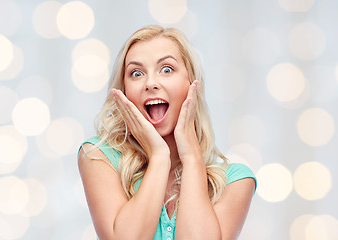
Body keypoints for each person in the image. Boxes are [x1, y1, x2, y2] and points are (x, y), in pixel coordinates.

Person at [78, 25, 256, 240]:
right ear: (124, 92)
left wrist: (191, 158)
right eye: (136, 73)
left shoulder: (234, 181)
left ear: (191, 84)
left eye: (167, 69)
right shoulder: (98, 155)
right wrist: (159, 157)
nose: (151, 83)